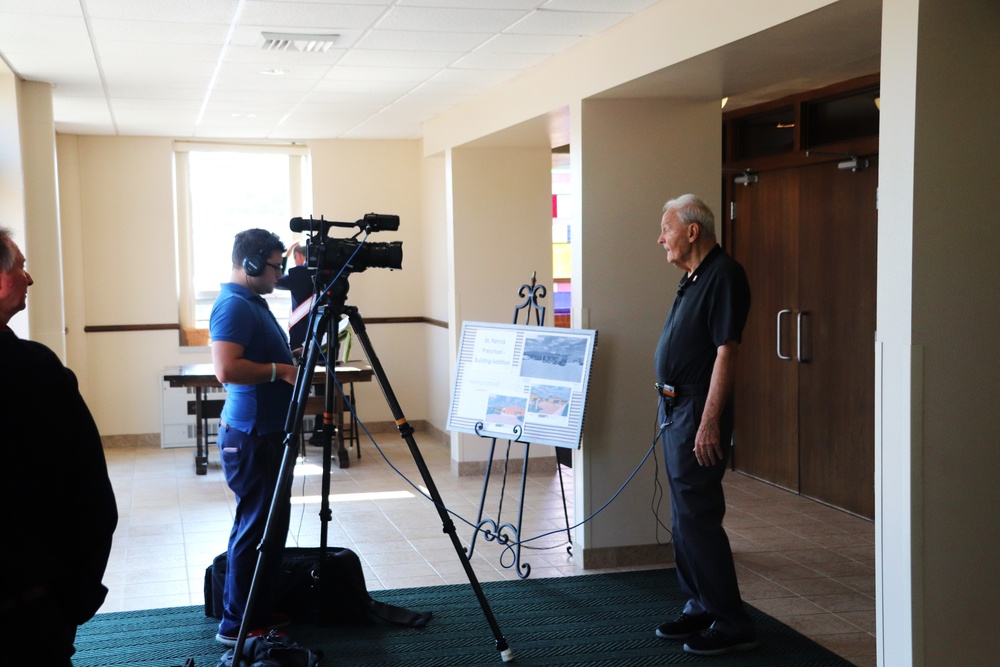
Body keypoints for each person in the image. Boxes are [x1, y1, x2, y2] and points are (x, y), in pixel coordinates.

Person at [0, 227, 118, 666]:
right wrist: (77, 596)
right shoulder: (35, 372)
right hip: (29, 612)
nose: (29, 279)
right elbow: (90, 497)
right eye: (21, 267)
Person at [651, 195, 756, 656]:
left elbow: (726, 352)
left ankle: (732, 621)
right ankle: (700, 604)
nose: (661, 238)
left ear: (692, 231)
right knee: (682, 516)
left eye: (666, 228)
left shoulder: (725, 275)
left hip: (697, 412)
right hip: (677, 410)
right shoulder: (693, 278)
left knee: (698, 515)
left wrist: (709, 423)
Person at [210, 228, 297, 646]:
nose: (279, 275)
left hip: (267, 432)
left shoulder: (252, 302)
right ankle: (236, 625)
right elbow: (226, 370)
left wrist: (287, 358)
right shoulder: (233, 306)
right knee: (254, 528)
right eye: (276, 267)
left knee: (270, 526)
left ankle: (256, 611)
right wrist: (281, 371)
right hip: (250, 435)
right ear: (251, 264)